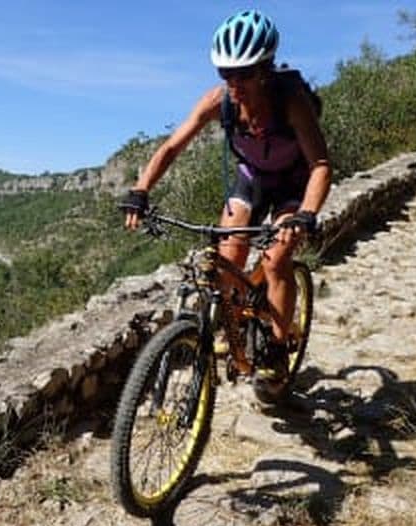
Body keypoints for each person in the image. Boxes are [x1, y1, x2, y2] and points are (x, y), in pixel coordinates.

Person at [121, 9, 331, 382]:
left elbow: (319, 164)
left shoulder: (291, 101)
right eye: (225, 73)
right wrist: (141, 190)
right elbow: (171, 147)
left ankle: (277, 352)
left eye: (244, 73)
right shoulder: (218, 103)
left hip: (293, 183)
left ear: (265, 70)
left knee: (275, 258)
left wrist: (307, 213)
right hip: (252, 178)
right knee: (226, 258)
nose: (234, 83)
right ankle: (237, 329)